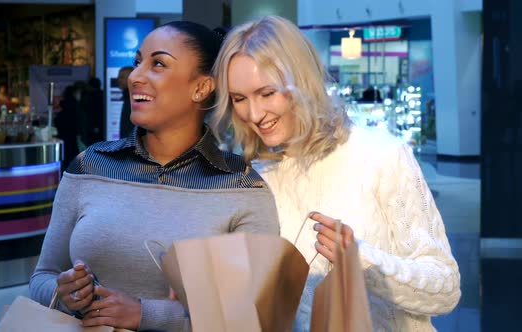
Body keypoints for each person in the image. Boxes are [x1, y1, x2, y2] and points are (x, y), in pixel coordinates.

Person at [211, 16, 460, 331]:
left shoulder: (381, 155)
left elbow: (445, 290)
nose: (255, 114)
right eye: (239, 99)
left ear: (302, 82)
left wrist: (361, 260)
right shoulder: (255, 178)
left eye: (267, 93)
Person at [29, 21, 279, 332]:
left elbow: (258, 312)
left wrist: (145, 314)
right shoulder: (90, 166)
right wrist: (65, 293)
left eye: (157, 64)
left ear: (201, 87)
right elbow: (42, 277)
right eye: (137, 63)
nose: (135, 76)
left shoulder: (242, 187)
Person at [118, 66, 134, 139]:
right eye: (119, 77)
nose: (119, 80)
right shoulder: (127, 97)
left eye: (122, 77)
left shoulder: (134, 99)